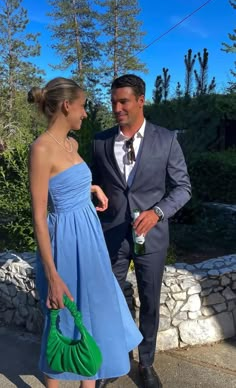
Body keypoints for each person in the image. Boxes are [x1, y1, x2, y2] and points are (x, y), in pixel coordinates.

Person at [28, 77, 143, 388]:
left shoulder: (72, 143)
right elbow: (39, 216)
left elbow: (67, 180)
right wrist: (53, 276)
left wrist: (90, 188)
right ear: (67, 106)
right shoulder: (41, 149)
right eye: (83, 107)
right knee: (63, 321)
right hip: (64, 243)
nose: (85, 113)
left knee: (92, 320)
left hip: (89, 240)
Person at [91, 74, 191, 388]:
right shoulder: (100, 141)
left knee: (149, 299)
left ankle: (146, 363)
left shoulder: (166, 140)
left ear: (141, 100)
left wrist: (158, 212)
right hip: (112, 235)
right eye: (113, 102)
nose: (117, 108)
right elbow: (93, 183)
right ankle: (115, 360)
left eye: (123, 102)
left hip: (151, 236)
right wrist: (91, 193)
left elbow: (183, 188)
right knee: (109, 299)